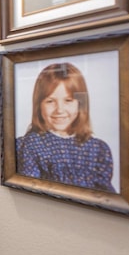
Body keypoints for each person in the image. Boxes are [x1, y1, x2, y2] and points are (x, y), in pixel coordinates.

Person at [15, 62, 115, 193]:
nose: (60, 110)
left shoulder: (98, 149)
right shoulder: (32, 144)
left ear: (81, 104)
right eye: (50, 101)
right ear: (39, 105)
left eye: (68, 100)